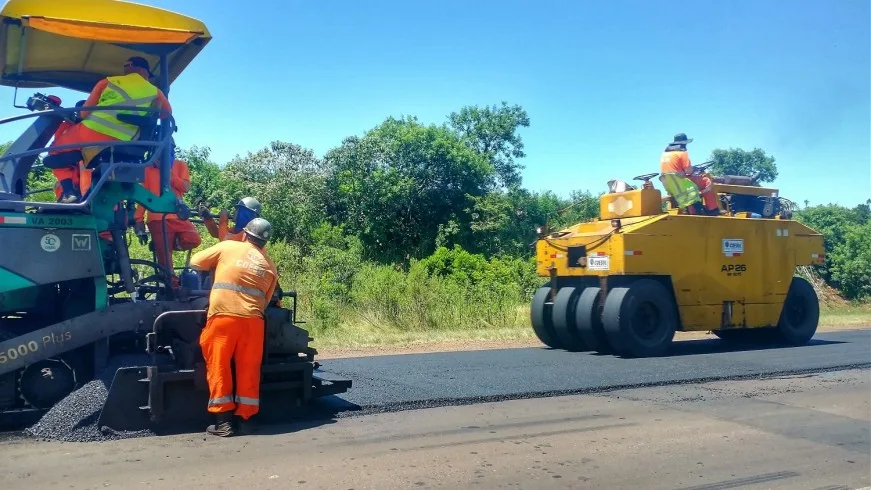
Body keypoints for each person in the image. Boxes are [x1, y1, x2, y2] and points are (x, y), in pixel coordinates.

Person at [189, 217, 278, 437]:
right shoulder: (269, 266)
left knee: (219, 367)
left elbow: (195, 262)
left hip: (223, 319)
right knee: (248, 371)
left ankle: (223, 423)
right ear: (264, 243)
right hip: (253, 323)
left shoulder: (229, 247)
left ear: (246, 235)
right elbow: (265, 302)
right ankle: (246, 421)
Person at [47, 56, 173, 203]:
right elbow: (167, 115)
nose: (147, 78)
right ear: (143, 71)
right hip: (126, 141)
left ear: (129, 67)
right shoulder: (156, 92)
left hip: (92, 133)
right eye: (148, 75)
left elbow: (83, 113)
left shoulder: (108, 82)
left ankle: (68, 192)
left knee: (54, 151)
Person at [133, 144, 202, 281]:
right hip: (157, 219)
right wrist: (138, 220)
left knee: (194, 239)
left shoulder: (180, 165)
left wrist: (167, 173)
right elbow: (143, 197)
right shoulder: (147, 170)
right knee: (166, 262)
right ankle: (172, 286)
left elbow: (185, 187)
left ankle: (165, 246)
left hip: (178, 215)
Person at [659, 133, 719, 215]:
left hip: (669, 184)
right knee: (706, 181)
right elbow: (689, 171)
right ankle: (713, 209)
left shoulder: (665, 154)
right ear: (684, 143)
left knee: (691, 185)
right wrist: (694, 169)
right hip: (680, 181)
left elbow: (674, 169)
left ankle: (692, 209)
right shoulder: (682, 153)